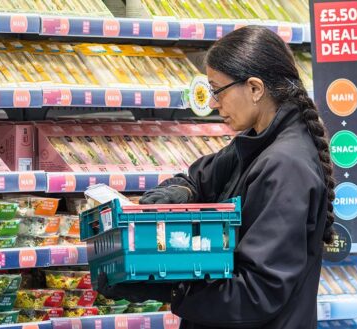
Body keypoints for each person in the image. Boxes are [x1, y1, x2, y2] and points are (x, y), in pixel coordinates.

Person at [98, 25, 335, 329]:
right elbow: (199, 178)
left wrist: (170, 290)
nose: (212, 103)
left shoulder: (285, 167)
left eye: (217, 90)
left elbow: (256, 292)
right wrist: (179, 192)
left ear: (254, 88)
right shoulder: (256, 142)